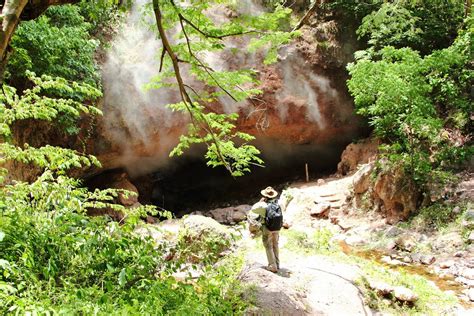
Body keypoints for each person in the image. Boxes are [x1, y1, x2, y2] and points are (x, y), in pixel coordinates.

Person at [250, 186, 283, 273]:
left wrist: (260, 201)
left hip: (267, 228)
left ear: (265, 196)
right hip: (277, 228)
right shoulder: (278, 204)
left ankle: (272, 266)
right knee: (275, 245)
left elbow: (253, 209)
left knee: (269, 246)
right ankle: (277, 264)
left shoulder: (263, 205)